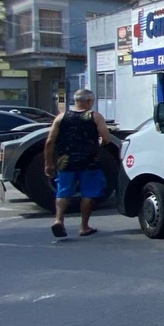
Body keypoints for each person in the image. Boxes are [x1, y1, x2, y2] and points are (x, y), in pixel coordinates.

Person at [44, 88, 112, 238]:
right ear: (88, 101)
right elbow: (106, 138)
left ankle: (58, 220)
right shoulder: (94, 117)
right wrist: (99, 144)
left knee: (63, 191)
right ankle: (84, 227)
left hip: (65, 162)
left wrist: (48, 163)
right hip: (89, 162)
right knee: (88, 193)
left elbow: (50, 141)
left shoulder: (61, 117)